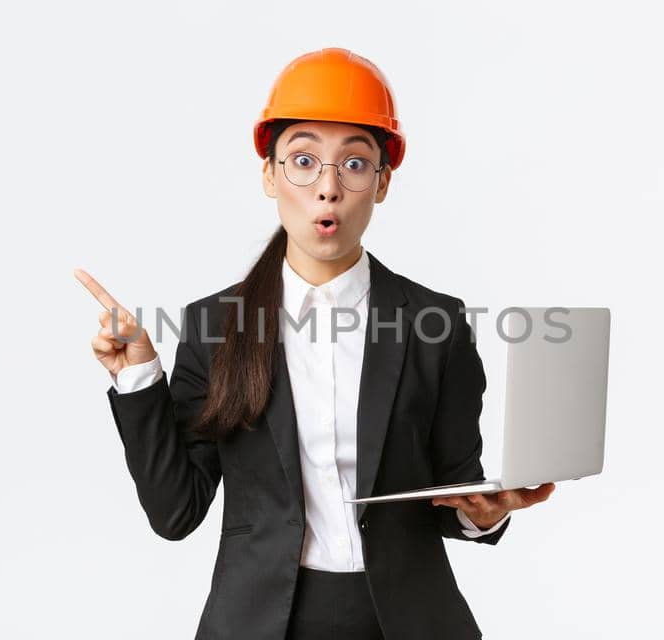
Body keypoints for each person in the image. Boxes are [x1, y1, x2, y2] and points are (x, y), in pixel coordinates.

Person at [76, 47, 556, 640]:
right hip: (262, 622)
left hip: (406, 621)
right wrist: (139, 376)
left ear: (381, 184)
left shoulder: (437, 324)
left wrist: (482, 516)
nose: (327, 188)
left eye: (355, 165)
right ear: (269, 174)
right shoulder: (214, 327)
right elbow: (177, 513)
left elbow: (455, 485)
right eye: (303, 160)